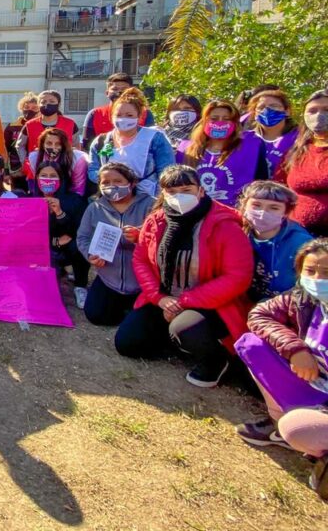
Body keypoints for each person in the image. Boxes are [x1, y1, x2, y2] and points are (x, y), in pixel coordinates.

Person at [115, 165, 254, 387]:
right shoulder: (156, 220)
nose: (179, 196)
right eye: (172, 192)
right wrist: (158, 298)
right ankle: (178, 339)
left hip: (211, 303)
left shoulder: (225, 225)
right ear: (163, 194)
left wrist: (184, 302)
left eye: (186, 189)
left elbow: (238, 277)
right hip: (164, 297)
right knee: (128, 344)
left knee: (185, 328)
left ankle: (216, 361)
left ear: (200, 191)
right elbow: (141, 260)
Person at [233, 239, 328, 499]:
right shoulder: (303, 298)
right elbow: (259, 315)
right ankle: (279, 424)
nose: (318, 279)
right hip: (313, 382)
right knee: (251, 344)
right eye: (310, 271)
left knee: (297, 428)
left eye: (326, 273)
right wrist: (295, 349)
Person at [76, 162, 150, 325]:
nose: (112, 186)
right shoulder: (94, 208)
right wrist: (90, 254)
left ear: (132, 183)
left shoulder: (150, 205)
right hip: (109, 278)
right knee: (95, 315)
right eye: (106, 183)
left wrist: (140, 238)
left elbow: (162, 240)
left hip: (143, 282)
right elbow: (83, 237)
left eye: (118, 181)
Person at [176, 100, 268, 207]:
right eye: (214, 119)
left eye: (226, 119)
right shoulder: (185, 149)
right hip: (194, 212)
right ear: (204, 121)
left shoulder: (251, 147)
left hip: (234, 213)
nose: (220, 123)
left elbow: (262, 182)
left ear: (235, 123)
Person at [87, 88, 175, 197]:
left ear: (138, 116)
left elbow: (167, 171)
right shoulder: (101, 141)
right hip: (112, 197)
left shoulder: (154, 138)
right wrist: (112, 181)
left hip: (147, 197)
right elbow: (92, 170)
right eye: (119, 115)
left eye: (129, 115)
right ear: (112, 116)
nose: (123, 119)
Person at [239, 181, 312, 302]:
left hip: (287, 306)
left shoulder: (301, 243)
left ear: (286, 213)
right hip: (243, 301)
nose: (263, 212)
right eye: (256, 205)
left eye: (274, 208)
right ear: (244, 206)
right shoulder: (237, 233)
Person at [33, 161, 90, 308]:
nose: (48, 179)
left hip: (68, 248)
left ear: (61, 179)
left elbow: (78, 231)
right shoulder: (29, 200)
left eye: (53, 176)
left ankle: (80, 285)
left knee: (79, 245)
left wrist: (59, 213)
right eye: (44, 175)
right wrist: (55, 241)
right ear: (37, 178)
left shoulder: (74, 200)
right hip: (43, 249)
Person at [277, 90, 328, 237]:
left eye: (326, 109)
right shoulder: (296, 150)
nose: (319, 115)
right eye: (312, 111)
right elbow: (280, 188)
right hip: (299, 237)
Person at [81, 73, 155, 145]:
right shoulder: (95, 114)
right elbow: (87, 145)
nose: (119, 92)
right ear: (107, 93)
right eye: (115, 89)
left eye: (124, 89)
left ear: (131, 92)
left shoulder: (145, 113)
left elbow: (151, 141)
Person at [16, 89, 80, 163]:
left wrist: (73, 164)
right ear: (38, 104)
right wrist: (26, 162)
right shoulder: (29, 125)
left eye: (52, 101)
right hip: (37, 169)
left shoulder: (70, 124)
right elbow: (20, 145)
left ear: (58, 104)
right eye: (43, 102)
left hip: (64, 168)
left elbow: (77, 147)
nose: (47, 104)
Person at [247, 88, 300, 176]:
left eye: (274, 106)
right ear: (254, 113)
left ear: (287, 111)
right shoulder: (244, 139)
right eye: (261, 107)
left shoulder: (300, 138)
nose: (267, 110)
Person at [27, 127, 90, 196]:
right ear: (42, 144)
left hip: (69, 195)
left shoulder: (78, 158)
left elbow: (78, 189)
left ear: (63, 145)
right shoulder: (34, 157)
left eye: (58, 144)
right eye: (49, 143)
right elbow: (40, 181)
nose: (53, 147)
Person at [5, 93, 39, 192]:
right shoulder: (12, 127)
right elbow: (5, 150)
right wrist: (6, 171)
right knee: (18, 196)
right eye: (26, 107)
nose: (30, 110)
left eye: (34, 108)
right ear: (21, 108)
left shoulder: (43, 125)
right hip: (17, 170)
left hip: (35, 170)